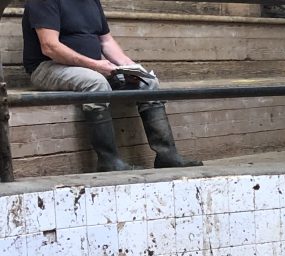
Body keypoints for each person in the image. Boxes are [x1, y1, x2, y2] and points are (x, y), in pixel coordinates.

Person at [22, 0, 202, 172]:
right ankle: (108, 161)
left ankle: (167, 156)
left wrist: (130, 68)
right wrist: (96, 65)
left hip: (90, 66)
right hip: (48, 67)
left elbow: (105, 41)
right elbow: (50, 47)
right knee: (96, 82)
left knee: (148, 82)